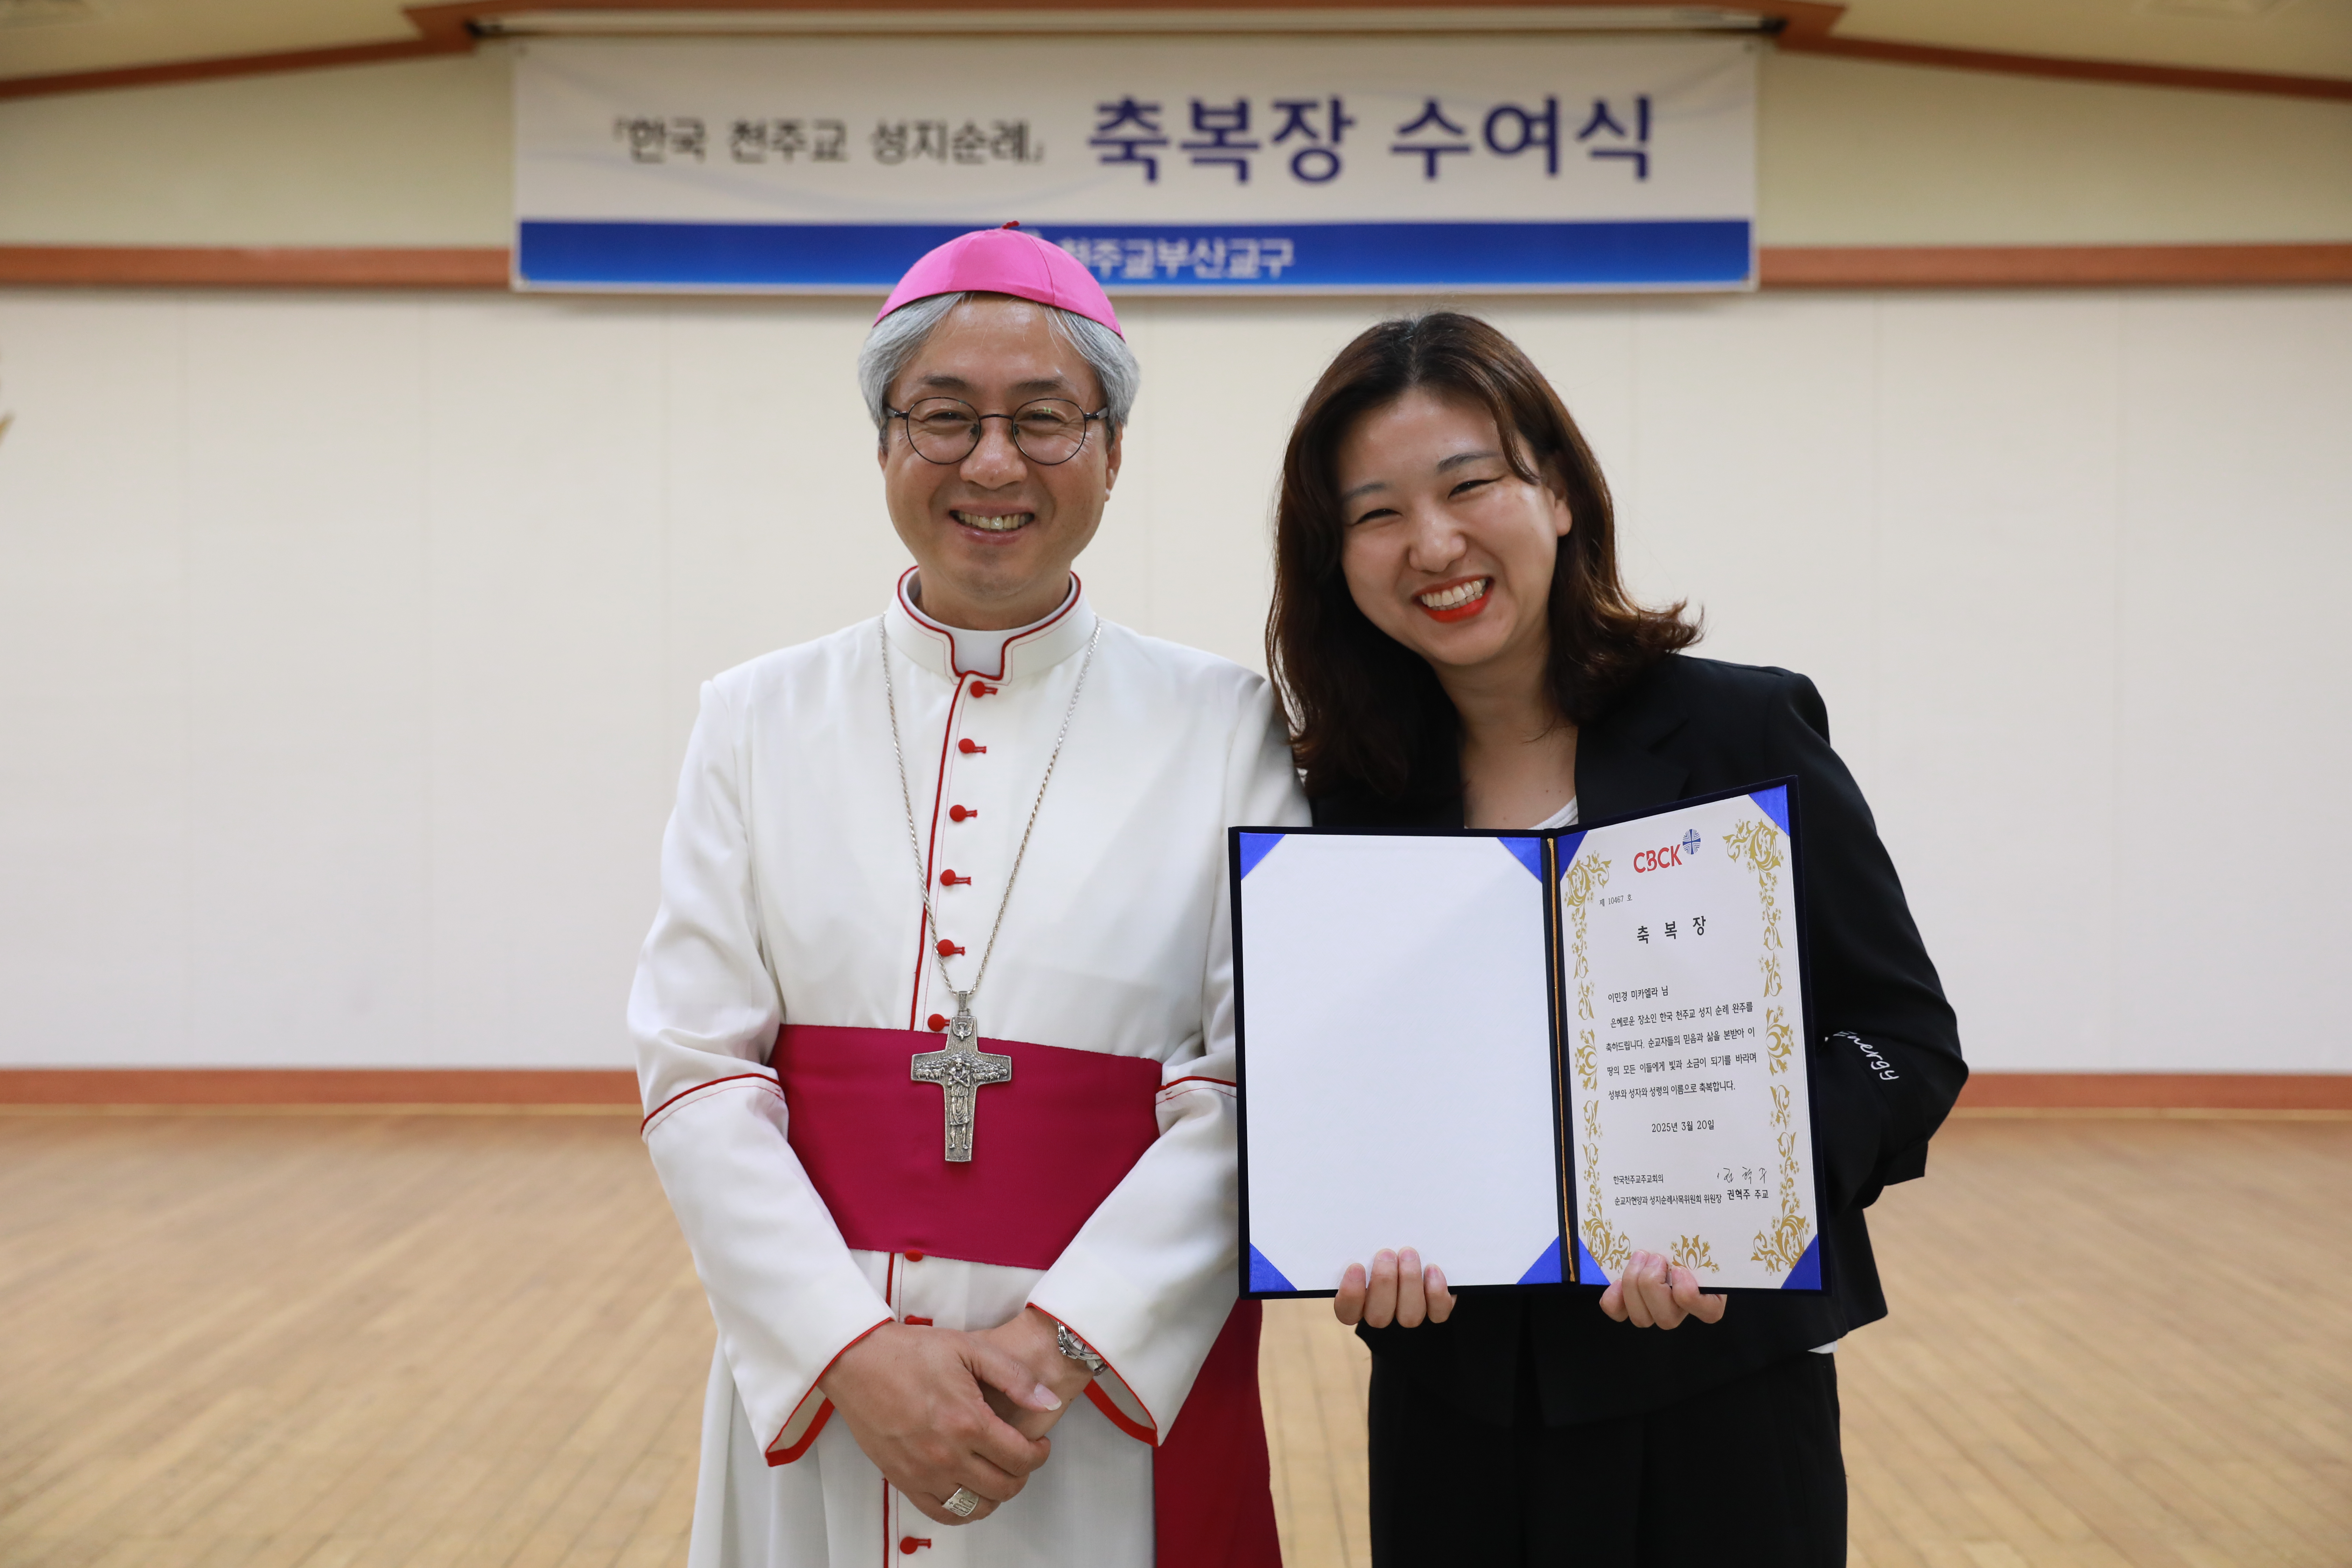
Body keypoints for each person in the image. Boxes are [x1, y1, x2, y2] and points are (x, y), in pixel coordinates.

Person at [629, 224, 1305, 1568]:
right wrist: (853, 1353)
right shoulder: (754, 717)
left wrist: (1053, 1352)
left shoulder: (1230, 723)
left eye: (1045, 421)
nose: (992, 462)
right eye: (944, 418)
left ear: (1112, 451)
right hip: (827, 1392)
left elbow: (1265, 1079)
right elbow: (697, 1066)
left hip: (1101, 1396)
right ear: (884, 443)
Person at [1265, 311, 1967, 1565]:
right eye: (1373, 514)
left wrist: (1754, 1211)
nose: (1433, 544)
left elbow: (1900, 1040)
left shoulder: (1741, 734)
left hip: (1718, 1382)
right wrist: (1348, 1240)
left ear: (1563, 494)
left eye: (1469, 484)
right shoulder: (1346, 804)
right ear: (1334, 560)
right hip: (1455, 1394)